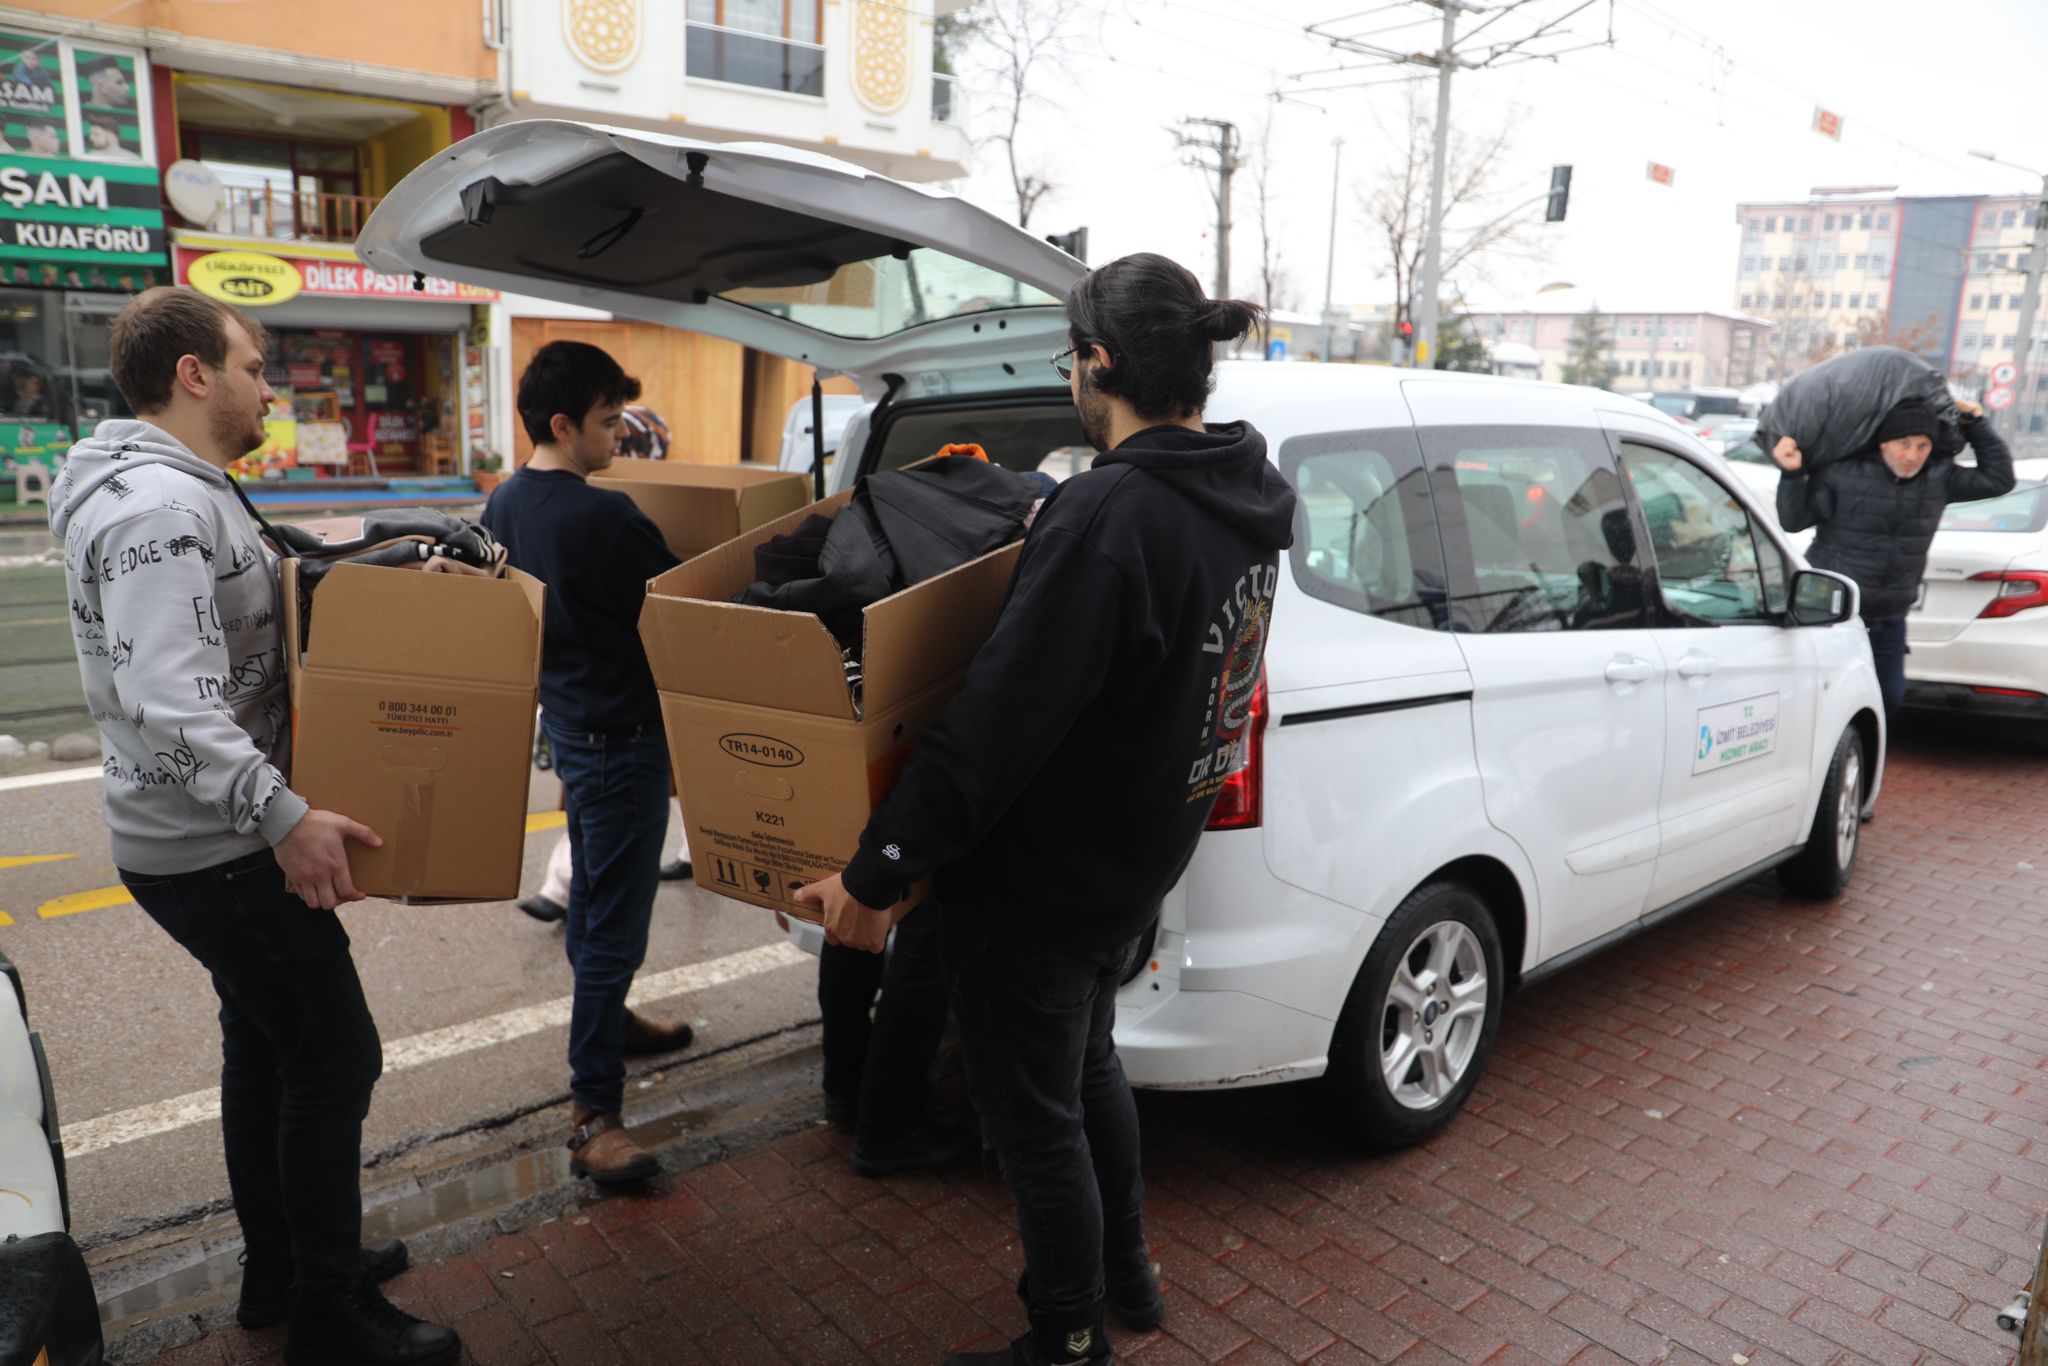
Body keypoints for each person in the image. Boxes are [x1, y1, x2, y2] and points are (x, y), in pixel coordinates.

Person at [798, 253, 1298, 1366]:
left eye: (1074, 358)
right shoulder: (1245, 493)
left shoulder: (1109, 512)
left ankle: (1066, 1332)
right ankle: (1127, 1279)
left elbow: (996, 723)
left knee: (1033, 1121)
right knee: (1085, 1069)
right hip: (1134, 858)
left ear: (1098, 363)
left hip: (1041, 880)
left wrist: (877, 870)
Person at [49, 288, 457, 1365]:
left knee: (266, 1049)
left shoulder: (189, 488)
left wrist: (396, 543)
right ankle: (329, 1307)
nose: (268, 385)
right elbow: (166, 700)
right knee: (334, 1057)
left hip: (201, 836)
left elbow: (266, 585)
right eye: (254, 366)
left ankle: (280, 1268)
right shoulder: (156, 513)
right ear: (195, 375)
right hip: (213, 847)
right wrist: (281, 816)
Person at [481, 341, 695, 1186]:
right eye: (608, 422)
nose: (618, 437)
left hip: (573, 726)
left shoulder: (505, 504)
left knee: (597, 902)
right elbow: (682, 604)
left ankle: (613, 1023)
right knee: (614, 921)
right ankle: (593, 1115)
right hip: (624, 738)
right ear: (564, 424)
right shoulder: (604, 517)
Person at [1772, 395, 2013, 725]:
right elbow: (1793, 520)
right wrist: (1792, 475)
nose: (1913, 455)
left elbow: (1999, 479)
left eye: (1922, 445)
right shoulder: (1844, 473)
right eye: (1904, 444)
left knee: (1888, 697)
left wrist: (1974, 424)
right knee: (1821, 701)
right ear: (1883, 444)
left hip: (1890, 617)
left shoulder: (1939, 478)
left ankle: (1856, 763)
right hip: (1834, 613)